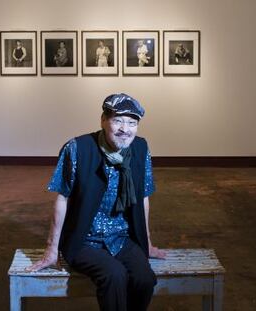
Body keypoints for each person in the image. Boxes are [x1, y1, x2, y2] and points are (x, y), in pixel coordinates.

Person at [26, 93, 166, 311]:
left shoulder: (140, 149)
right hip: (84, 240)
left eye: (132, 123)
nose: (125, 129)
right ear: (103, 120)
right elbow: (62, 198)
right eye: (117, 120)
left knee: (145, 278)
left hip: (121, 237)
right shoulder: (77, 148)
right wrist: (52, 249)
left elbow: (143, 196)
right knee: (114, 275)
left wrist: (146, 241)